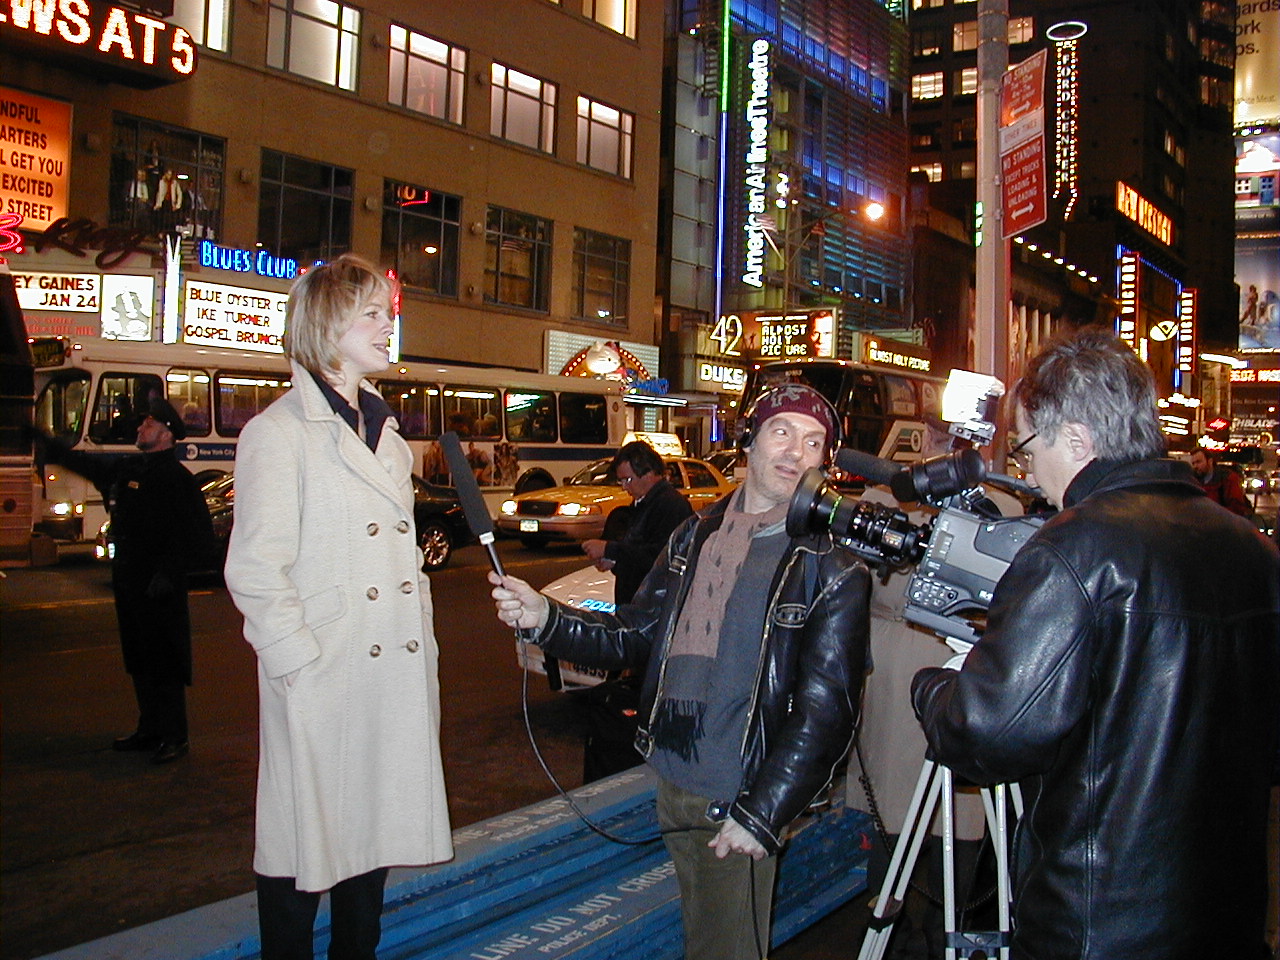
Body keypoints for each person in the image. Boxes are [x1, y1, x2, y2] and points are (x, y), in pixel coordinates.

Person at [911, 329, 1280, 960]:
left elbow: (987, 735)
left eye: (1028, 450)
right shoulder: (1255, 551)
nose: (1028, 473)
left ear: (1077, 441)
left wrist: (937, 683)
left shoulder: (1072, 550)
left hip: (1096, 923)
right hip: (1229, 916)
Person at [491, 383, 871, 960]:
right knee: (703, 942)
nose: (796, 452)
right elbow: (639, 630)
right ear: (749, 440)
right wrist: (547, 618)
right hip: (674, 775)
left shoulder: (832, 566)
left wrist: (763, 815)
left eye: (814, 442)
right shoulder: (696, 534)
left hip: (739, 798)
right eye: (782, 432)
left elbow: (828, 715)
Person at [224, 255, 453, 960]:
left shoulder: (387, 437)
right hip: (325, 673)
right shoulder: (279, 432)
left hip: (386, 670)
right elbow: (255, 571)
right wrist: (300, 665)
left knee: (369, 843)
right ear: (327, 323)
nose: (390, 325)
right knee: (301, 846)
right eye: (374, 314)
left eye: (388, 313)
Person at [39, 397, 215, 764]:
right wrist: (45, 442)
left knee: (165, 661)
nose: (139, 429)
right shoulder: (131, 469)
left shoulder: (177, 480)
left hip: (160, 588)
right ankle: (149, 728)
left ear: (166, 434)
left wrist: (168, 574)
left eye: (148, 425)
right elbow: (85, 465)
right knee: (139, 657)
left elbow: (197, 538)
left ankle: (174, 735)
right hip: (131, 581)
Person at [582, 440, 693, 606]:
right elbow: (636, 551)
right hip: (636, 605)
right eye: (621, 481)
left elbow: (659, 558)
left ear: (648, 474)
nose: (624, 487)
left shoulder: (670, 505)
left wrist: (609, 549)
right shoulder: (643, 503)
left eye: (628, 479)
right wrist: (614, 561)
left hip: (651, 610)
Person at [1188, 446, 1252, 517]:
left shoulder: (1227, 479)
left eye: (1198, 462)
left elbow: (1237, 508)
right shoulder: (1194, 481)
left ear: (1210, 461)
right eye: (1193, 463)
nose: (1195, 466)